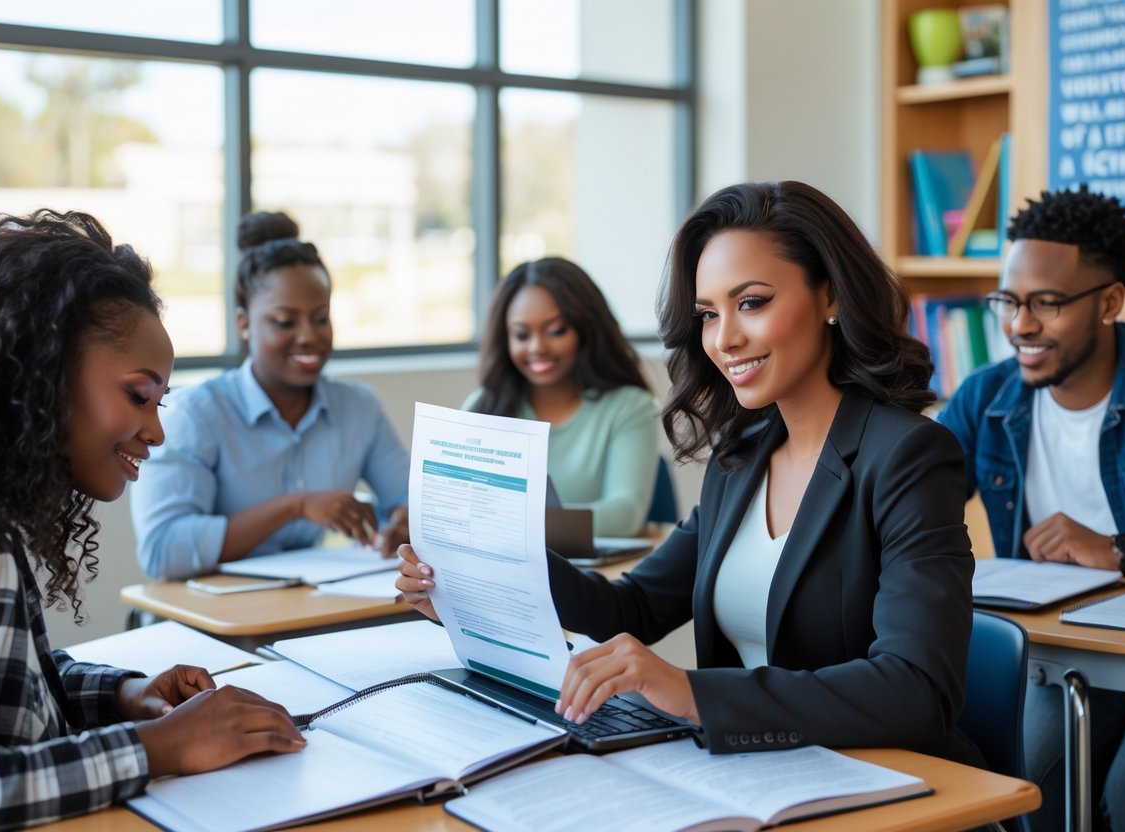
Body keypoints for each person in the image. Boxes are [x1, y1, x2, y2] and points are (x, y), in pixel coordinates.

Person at [400, 181, 980, 763]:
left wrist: (691, 692)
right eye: (708, 313)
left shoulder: (909, 455)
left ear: (830, 296)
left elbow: (916, 691)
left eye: (752, 302)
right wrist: (480, 577)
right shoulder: (743, 454)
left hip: (886, 781)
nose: (724, 339)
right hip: (760, 772)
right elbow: (632, 609)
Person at [0, 210, 305, 830]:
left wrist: (125, 696)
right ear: (42, 377)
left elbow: (8, 685)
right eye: (139, 396)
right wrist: (157, 748)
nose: (158, 429)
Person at [939, 185, 1125, 831]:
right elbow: (903, 505)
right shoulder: (987, 397)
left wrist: (1118, 551)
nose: (1018, 325)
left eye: (1045, 303)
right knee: (1005, 788)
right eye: (1008, 301)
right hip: (1057, 655)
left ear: (1110, 302)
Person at [132, 211, 411, 580]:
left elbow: (409, 503)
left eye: (321, 317)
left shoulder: (358, 407)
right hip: (208, 621)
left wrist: (406, 526)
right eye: (285, 321)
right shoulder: (195, 414)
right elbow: (163, 551)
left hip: (305, 611)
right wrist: (296, 506)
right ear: (243, 324)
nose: (309, 335)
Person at [464, 257, 658, 536]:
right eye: (521, 334)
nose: (537, 348)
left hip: (590, 574)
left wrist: (513, 524)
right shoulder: (482, 406)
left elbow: (625, 513)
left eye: (556, 330)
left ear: (586, 328)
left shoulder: (629, 407)